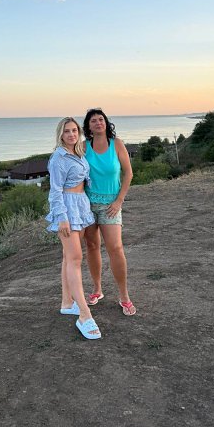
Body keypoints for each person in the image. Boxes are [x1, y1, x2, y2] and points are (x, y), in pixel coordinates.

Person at [45, 117, 101, 340]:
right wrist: (62, 218)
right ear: (61, 134)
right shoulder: (58, 158)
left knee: (68, 258)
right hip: (67, 209)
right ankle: (84, 315)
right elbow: (55, 190)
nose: (71, 134)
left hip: (80, 205)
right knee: (75, 258)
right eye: (67, 131)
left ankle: (67, 303)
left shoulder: (78, 153)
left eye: (74, 130)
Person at [82, 109, 136, 316]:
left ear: (106, 123)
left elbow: (128, 173)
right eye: (93, 121)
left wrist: (119, 200)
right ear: (88, 126)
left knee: (115, 248)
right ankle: (97, 289)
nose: (98, 123)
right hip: (87, 204)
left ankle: (124, 296)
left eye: (101, 119)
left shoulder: (117, 144)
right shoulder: (83, 147)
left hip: (111, 205)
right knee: (92, 246)